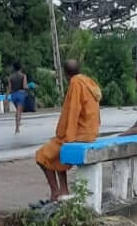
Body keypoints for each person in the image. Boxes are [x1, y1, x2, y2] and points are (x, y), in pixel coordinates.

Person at [35, 59, 101, 202]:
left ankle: (54, 193)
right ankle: (63, 191)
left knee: (41, 157)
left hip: (79, 134)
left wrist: (67, 138)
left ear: (65, 74)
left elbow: (73, 110)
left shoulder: (75, 83)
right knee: (56, 155)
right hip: (89, 132)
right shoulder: (87, 81)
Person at [7, 62, 28, 134]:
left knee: (18, 111)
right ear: (21, 68)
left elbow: (9, 89)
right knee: (19, 111)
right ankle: (17, 128)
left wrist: (6, 97)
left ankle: (18, 123)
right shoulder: (23, 76)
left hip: (13, 95)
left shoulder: (11, 77)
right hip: (21, 94)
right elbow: (25, 86)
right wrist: (29, 87)